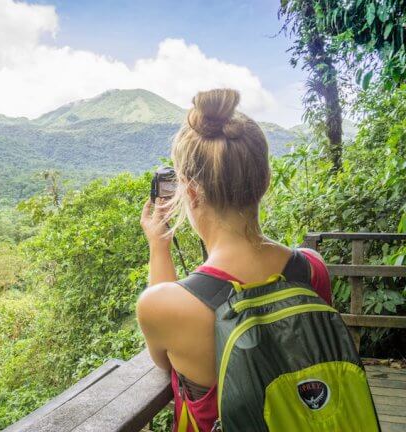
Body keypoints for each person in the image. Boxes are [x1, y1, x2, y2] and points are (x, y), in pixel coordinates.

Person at [137, 88, 332, 432]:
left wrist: (159, 245)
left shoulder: (163, 306)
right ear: (266, 180)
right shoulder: (312, 268)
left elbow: (164, 364)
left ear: (191, 194)